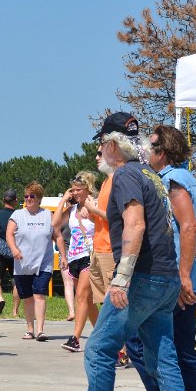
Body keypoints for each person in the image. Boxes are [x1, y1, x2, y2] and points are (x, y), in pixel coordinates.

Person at [46, 112, 193, 391]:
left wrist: (122, 277)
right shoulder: (150, 174)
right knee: (163, 356)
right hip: (164, 277)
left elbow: (136, 225)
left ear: (112, 145)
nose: (100, 151)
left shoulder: (125, 175)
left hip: (141, 277)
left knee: (99, 349)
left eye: (101, 144)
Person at [125, 125, 196, 391]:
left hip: (176, 278)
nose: (146, 151)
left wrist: (183, 275)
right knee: (183, 352)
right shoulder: (186, 178)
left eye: (152, 146)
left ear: (164, 151)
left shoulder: (173, 180)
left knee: (142, 343)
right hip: (188, 275)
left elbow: (188, 227)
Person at [83, 141, 126, 367]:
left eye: (100, 153)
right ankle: (110, 344)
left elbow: (116, 218)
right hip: (98, 248)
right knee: (100, 301)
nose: (97, 157)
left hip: (110, 249)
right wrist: (90, 213)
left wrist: (93, 209)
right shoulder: (106, 182)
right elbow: (103, 217)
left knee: (115, 302)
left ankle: (122, 350)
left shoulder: (118, 180)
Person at [6, 182, 62, 341]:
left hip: (43, 262)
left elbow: (57, 236)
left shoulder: (48, 215)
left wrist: (63, 256)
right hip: (23, 264)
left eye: (32, 196)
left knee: (40, 295)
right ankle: (30, 329)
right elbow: (9, 234)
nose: (28, 199)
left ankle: (40, 330)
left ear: (39, 199)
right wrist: (14, 249)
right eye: (26, 196)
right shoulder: (17, 215)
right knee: (28, 297)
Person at [52, 173, 99, 353]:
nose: (75, 193)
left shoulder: (95, 203)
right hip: (74, 257)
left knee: (80, 295)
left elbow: (105, 223)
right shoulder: (72, 210)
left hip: (90, 256)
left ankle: (75, 339)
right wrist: (64, 200)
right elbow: (55, 223)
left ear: (88, 188)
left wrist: (92, 212)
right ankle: (102, 336)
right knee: (88, 301)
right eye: (73, 190)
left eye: (79, 189)